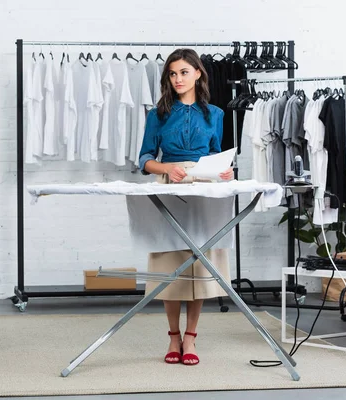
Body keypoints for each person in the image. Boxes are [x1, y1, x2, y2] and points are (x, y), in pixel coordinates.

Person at [138, 48, 234, 366]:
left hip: (204, 190)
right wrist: (166, 169)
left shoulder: (216, 114)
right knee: (170, 262)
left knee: (199, 261)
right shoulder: (159, 114)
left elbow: (215, 153)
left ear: (198, 74)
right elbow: (145, 160)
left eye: (183, 72)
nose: (178, 79)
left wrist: (225, 171)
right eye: (172, 73)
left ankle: (191, 336)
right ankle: (173, 336)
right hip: (170, 187)